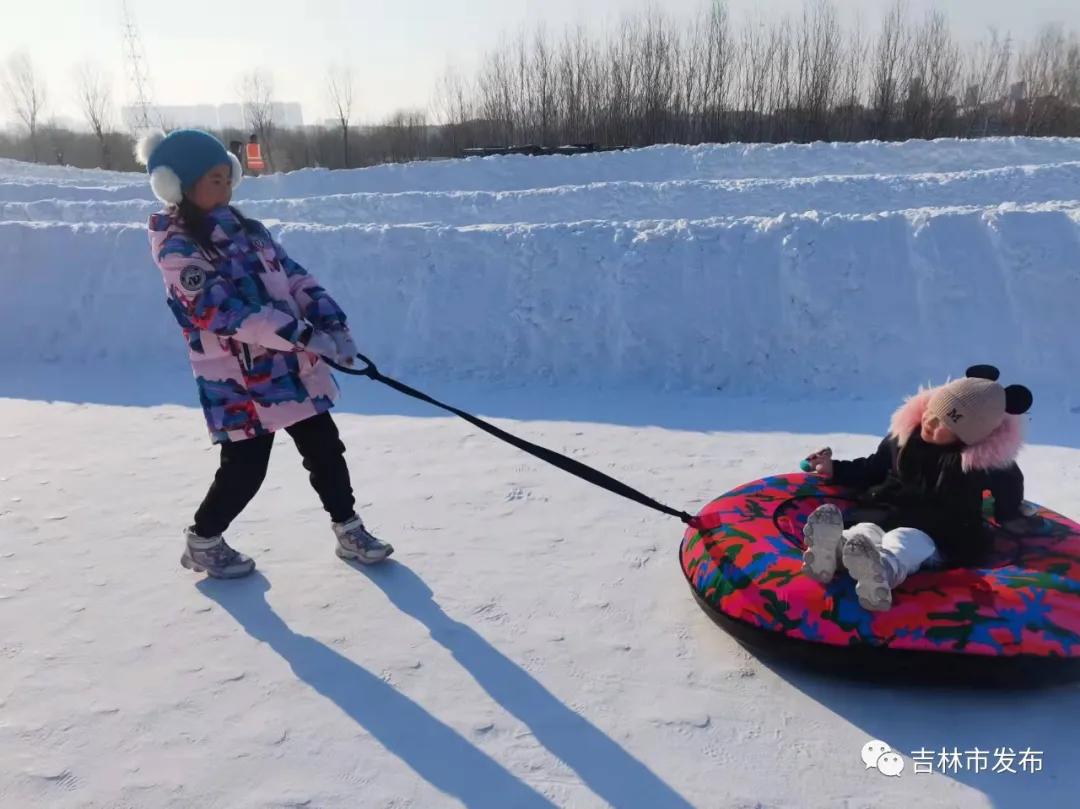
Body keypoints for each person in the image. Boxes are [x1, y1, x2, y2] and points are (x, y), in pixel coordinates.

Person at [135, 128, 393, 578]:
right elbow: (219, 310)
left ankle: (349, 529)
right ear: (176, 186)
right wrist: (301, 334)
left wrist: (333, 325)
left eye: (227, 176)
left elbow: (295, 279)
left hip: (292, 368)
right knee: (245, 470)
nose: (225, 186)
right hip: (237, 383)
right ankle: (203, 540)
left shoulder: (250, 232)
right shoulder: (177, 247)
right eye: (213, 179)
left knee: (326, 449)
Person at [801, 365, 1032, 611]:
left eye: (946, 421)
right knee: (864, 531)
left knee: (904, 540)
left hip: (940, 530)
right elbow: (873, 468)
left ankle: (881, 573)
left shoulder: (979, 463)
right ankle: (832, 552)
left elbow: (1009, 488)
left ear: (969, 435)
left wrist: (1009, 515)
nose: (930, 422)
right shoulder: (904, 439)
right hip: (890, 510)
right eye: (932, 410)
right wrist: (835, 469)